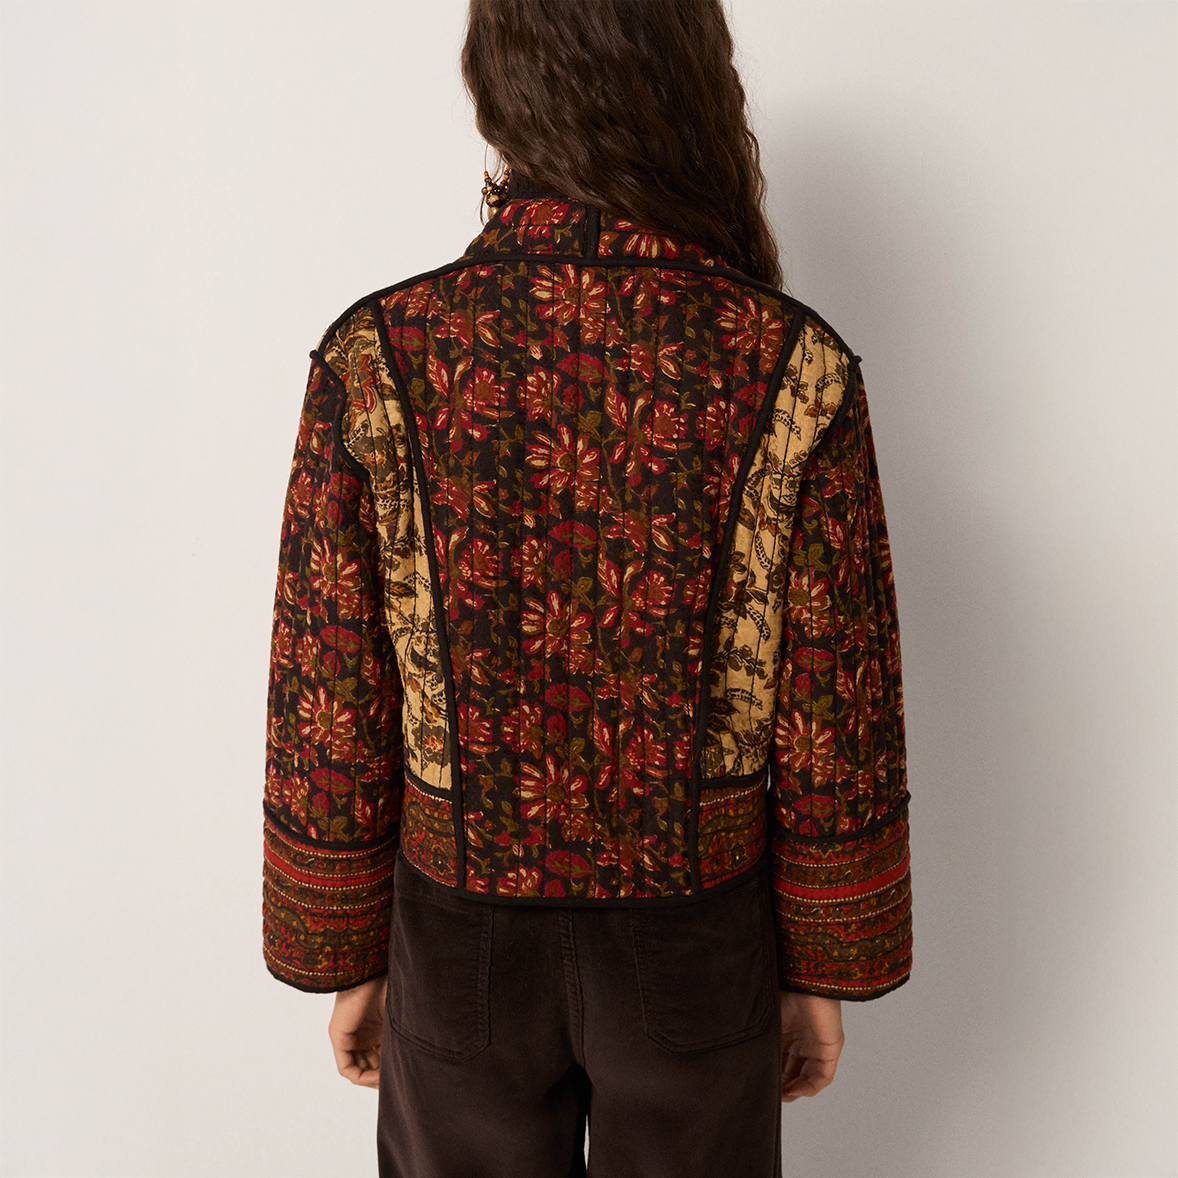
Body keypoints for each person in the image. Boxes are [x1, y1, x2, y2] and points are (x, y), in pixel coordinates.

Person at [262, 1, 912, 1174]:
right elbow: (834, 697)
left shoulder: (379, 353)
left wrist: (350, 948)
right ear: (690, 85)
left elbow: (330, 680)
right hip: (695, 935)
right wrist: (818, 965)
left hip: (455, 935)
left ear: (498, 90)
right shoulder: (788, 361)